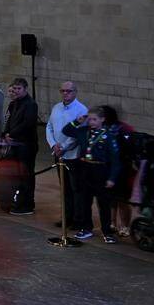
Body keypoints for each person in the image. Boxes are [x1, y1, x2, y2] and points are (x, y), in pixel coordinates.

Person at [63, 106, 122, 242]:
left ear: (102, 119)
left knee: (103, 203)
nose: (91, 122)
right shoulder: (83, 131)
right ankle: (86, 228)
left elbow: (115, 160)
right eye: (89, 119)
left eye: (94, 119)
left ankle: (107, 232)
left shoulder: (108, 136)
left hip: (100, 170)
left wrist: (112, 178)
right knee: (85, 200)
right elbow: (66, 130)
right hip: (85, 169)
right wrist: (78, 121)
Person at [44, 80, 87, 229]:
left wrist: (63, 147)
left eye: (68, 91)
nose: (65, 93)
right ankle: (66, 217)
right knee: (65, 189)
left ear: (75, 92)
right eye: (63, 91)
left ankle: (78, 220)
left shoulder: (81, 110)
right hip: (59, 154)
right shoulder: (56, 107)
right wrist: (53, 144)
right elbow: (49, 126)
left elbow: (77, 134)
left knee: (76, 190)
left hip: (73, 156)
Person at [3, 77, 40, 215]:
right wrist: (6, 133)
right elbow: (9, 120)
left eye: (19, 89)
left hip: (26, 145)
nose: (16, 91)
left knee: (26, 176)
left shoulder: (30, 104)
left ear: (25, 89)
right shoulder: (14, 104)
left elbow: (28, 123)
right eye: (15, 88)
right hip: (15, 144)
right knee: (16, 175)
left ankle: (27, 204)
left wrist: (11, 134)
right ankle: (17, 201)